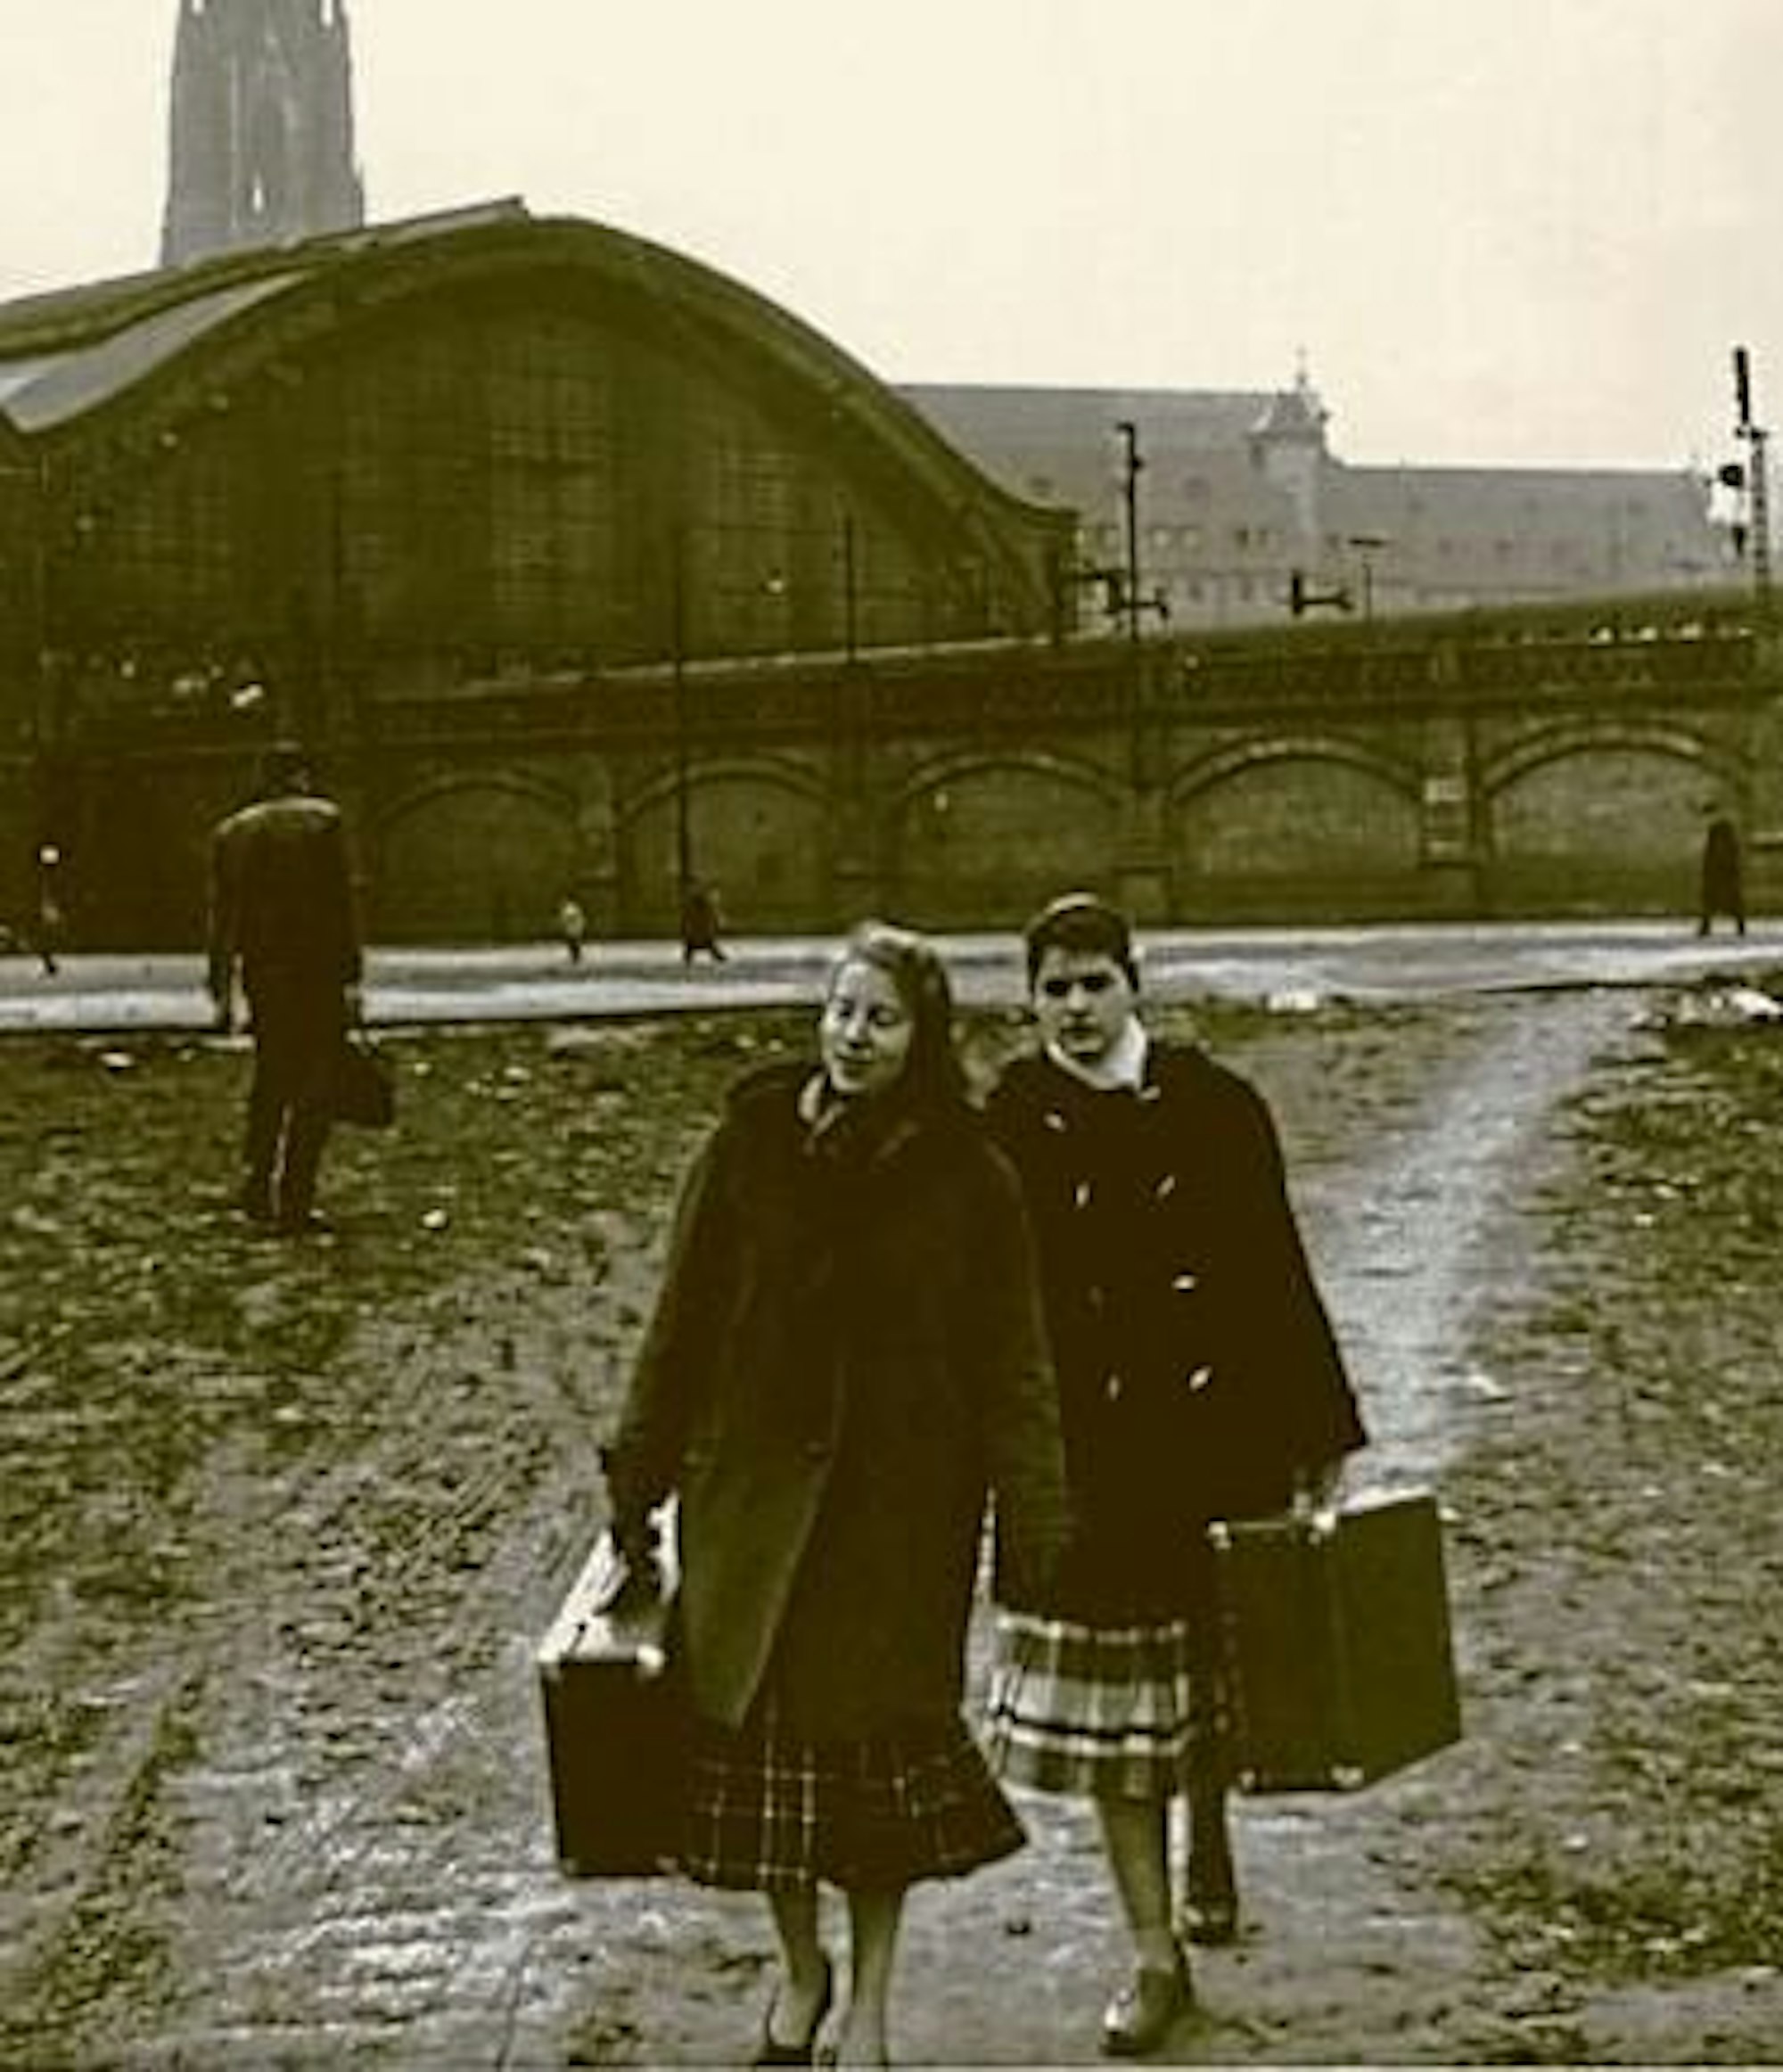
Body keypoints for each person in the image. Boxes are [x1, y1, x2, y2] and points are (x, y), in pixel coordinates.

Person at [601, 920, 1071, 2068]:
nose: (853, 1036)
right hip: (752, 1507)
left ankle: (867, 2008)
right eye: (840, 1010)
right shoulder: (748, 1146)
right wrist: (639, 1477)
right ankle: (801, 1967)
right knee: (767, 1785)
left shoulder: (972, 1179)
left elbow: (1015, 1366)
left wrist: (1033, 1524)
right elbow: (680, 1326)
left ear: (924, 1037)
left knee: (869, 1792)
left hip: (896, 1523)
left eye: (881, 1018)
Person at [982, 892, 1366, 2058]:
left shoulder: (1216, 1107)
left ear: (1134, 984)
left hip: (1218, 1443)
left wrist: (1320, 1437)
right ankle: (1155, 1955)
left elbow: (1273, 1272)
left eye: (1097, 983)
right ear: (1031, 999)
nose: (1078, 1009)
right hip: (1088, 1469)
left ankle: (1211, 1832)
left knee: (1213, 1681)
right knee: (1119, 1719)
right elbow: (977, 1302)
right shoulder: (1011, 1119)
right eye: (1055, 988)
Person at [207, 741, 363, 1236]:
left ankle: (256, 1184)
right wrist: (351, 978)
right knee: (316, 1083)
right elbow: (341, 905)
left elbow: (222, 920)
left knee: (271, 1077)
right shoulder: (323, 821)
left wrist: (221, 990)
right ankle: (297, 1195)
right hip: (315, 970)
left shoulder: (231, 832)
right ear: (300, 776)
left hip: (263, 973)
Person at [1697, 810, 1746, 937]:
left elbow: (1717, 853)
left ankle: (1706, 927)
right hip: (1723, 872)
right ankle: (1707, 926)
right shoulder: (1722, 831)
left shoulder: (1718, 831)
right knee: (1722, 901)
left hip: (1720, 872)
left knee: (1716, 900)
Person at [678, 878, 727, 964]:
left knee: (692, 951)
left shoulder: (700, 908)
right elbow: (686, 922)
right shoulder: (695, 908)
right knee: (695, 950)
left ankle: (689, 956)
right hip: (699, 938)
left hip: (699, 938)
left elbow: (685, 923)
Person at [558, 894, 588, 966]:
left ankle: (576, 958)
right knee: (573, 944)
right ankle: (575, 957)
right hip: (572, 929)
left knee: (574, 944)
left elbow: (570, 917)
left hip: (574, 929)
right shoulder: (569, 908)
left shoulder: (571, 908)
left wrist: (567, 921)